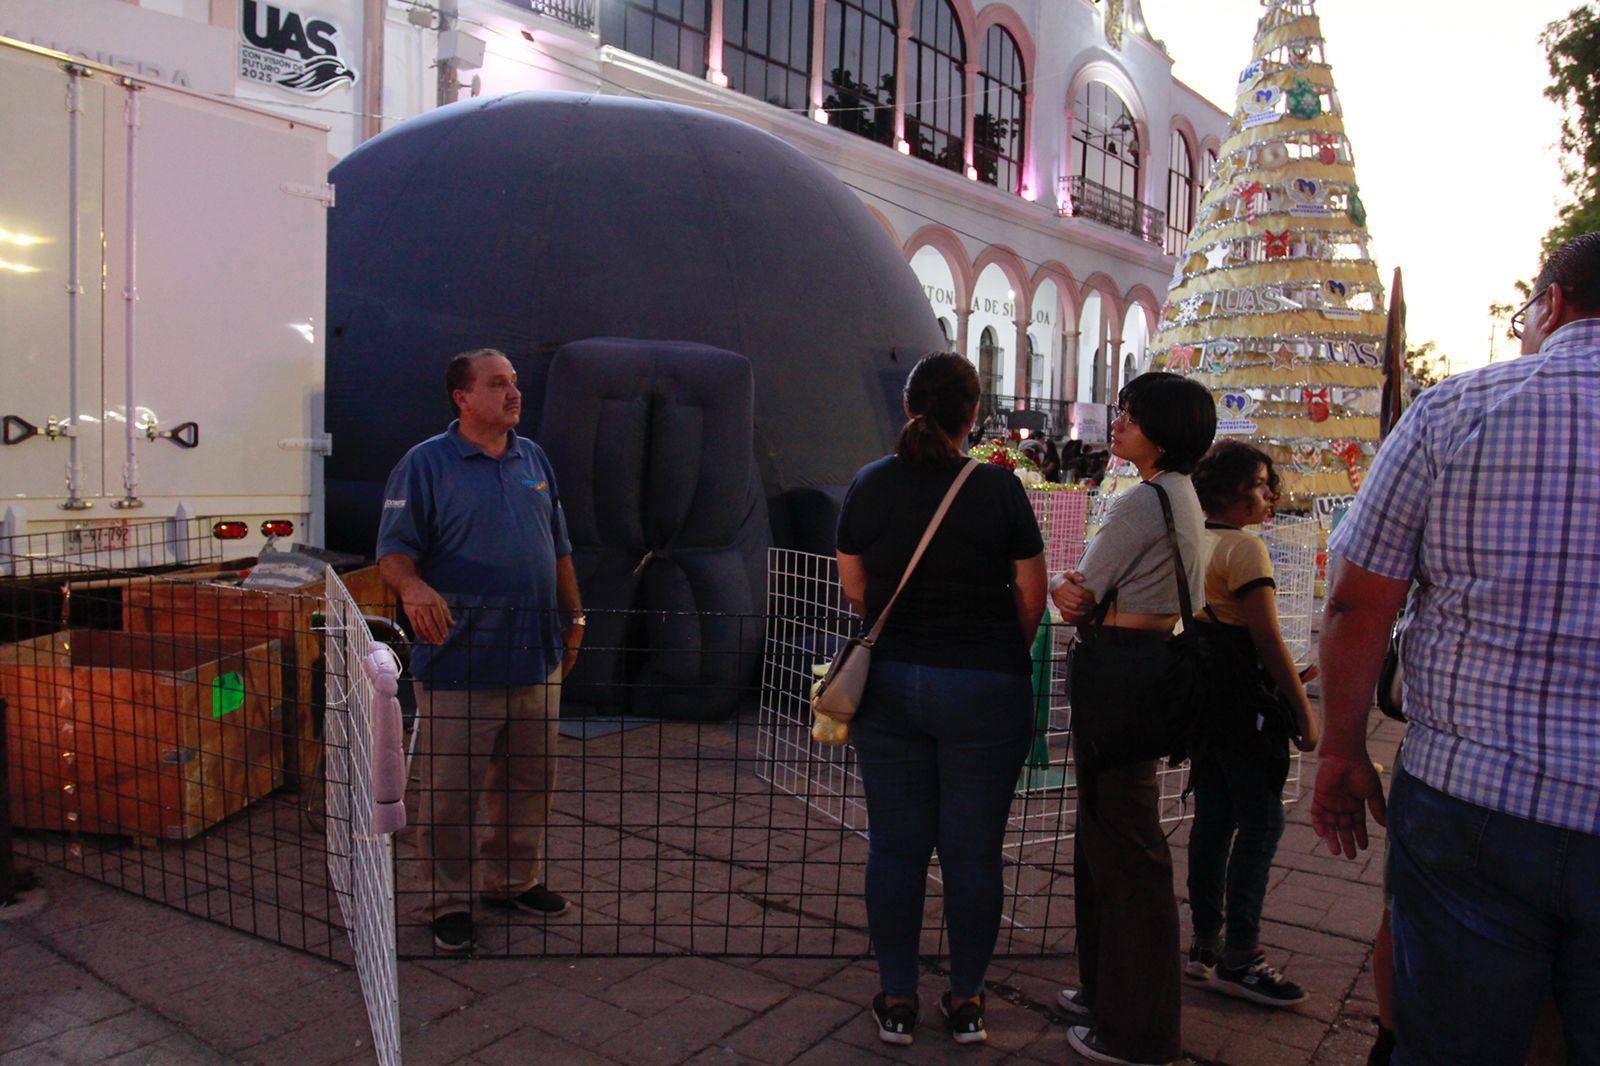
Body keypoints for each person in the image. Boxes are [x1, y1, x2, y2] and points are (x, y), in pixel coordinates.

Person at [1314, 232, 1600, 1064]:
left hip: (1474, 802)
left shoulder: (1459, 410)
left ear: (1551, 303)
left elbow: (1359, 601)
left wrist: (1341, 745)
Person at [835, 353, 1048, 1047]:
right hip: (985, 686)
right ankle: (967, 1001)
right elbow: (1031, 599)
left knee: (895, 847)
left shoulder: (868, 485)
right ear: (973, 414)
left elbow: (857, 589)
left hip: (891, 682)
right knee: (974, 852)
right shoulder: (998, 491)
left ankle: (897, 998)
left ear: (907, 407)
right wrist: (993, 649)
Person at [376, 348, 586, 954]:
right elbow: (393, 552)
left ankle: (512, 881)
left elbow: (560, 547)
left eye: (515, 383)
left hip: (535, 659)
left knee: (529, 783)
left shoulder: (533, 458)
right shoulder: (425, 465)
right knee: (449, 792)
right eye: (498, 384)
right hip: (460, 662)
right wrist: (414, 588)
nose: (515, 393)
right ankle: (448, 900)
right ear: (462, 398)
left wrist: (575, 619)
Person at [1049, 371, 1216, 1066]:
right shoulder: (1177, 494)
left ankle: (1139, 1028)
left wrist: (1061, 583)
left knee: (1126, 845)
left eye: (1131, 413)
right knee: (1112, 835)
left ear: (1163, 430)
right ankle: (1107, 992)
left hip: (1118, 665)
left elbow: (1077, 598)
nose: (1118, 422)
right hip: (1144, 663)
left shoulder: (1140, 503)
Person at [1184, 440, 1319, 1008]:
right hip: (1246, 705)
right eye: (1264, 487)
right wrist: (1305, 712)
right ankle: (1243, 955)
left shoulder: (1196, 541)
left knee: (1213, 817)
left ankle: (1204, 945)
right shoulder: (1245, 551)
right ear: (1237, 496)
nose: (1272, 497)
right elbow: (1266, 639)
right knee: (1260, 825)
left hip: (1203, 699)